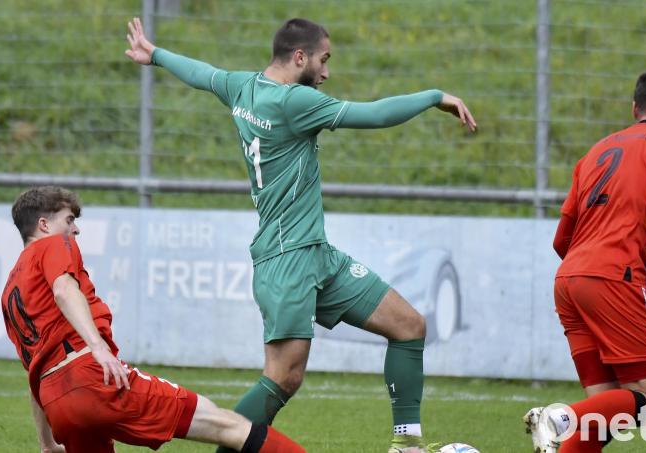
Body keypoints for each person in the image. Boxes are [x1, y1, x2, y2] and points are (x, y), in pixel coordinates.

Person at [124, 16, 477, 453]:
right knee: (283, 378)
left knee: (408, 325)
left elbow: (202, 73)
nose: (326, 72)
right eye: (323, 60)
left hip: (317, 255)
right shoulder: (293, 103)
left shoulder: (243, 87)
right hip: (287, 258)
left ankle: (407, 446)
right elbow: (373, 115)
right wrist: (433, 96)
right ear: (299, 57)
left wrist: (155, 54)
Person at [1, 186, 305, 453]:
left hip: (56, 402)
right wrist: (98, 348)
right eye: (69, 220)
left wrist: (46, 442)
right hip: (91, 377)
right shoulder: (53, 245)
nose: (75, 230)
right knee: (226, 425)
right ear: (43, 224)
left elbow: (34, 372)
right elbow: (64, 289)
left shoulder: (10, 290)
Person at [524, 69, 646, 452]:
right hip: (613, 278)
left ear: (634, 107)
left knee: (605, 415)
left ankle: (567, 423)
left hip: (568, 279)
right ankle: (559, 416)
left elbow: (561, 238)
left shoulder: (596, 151)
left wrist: (584, 269)